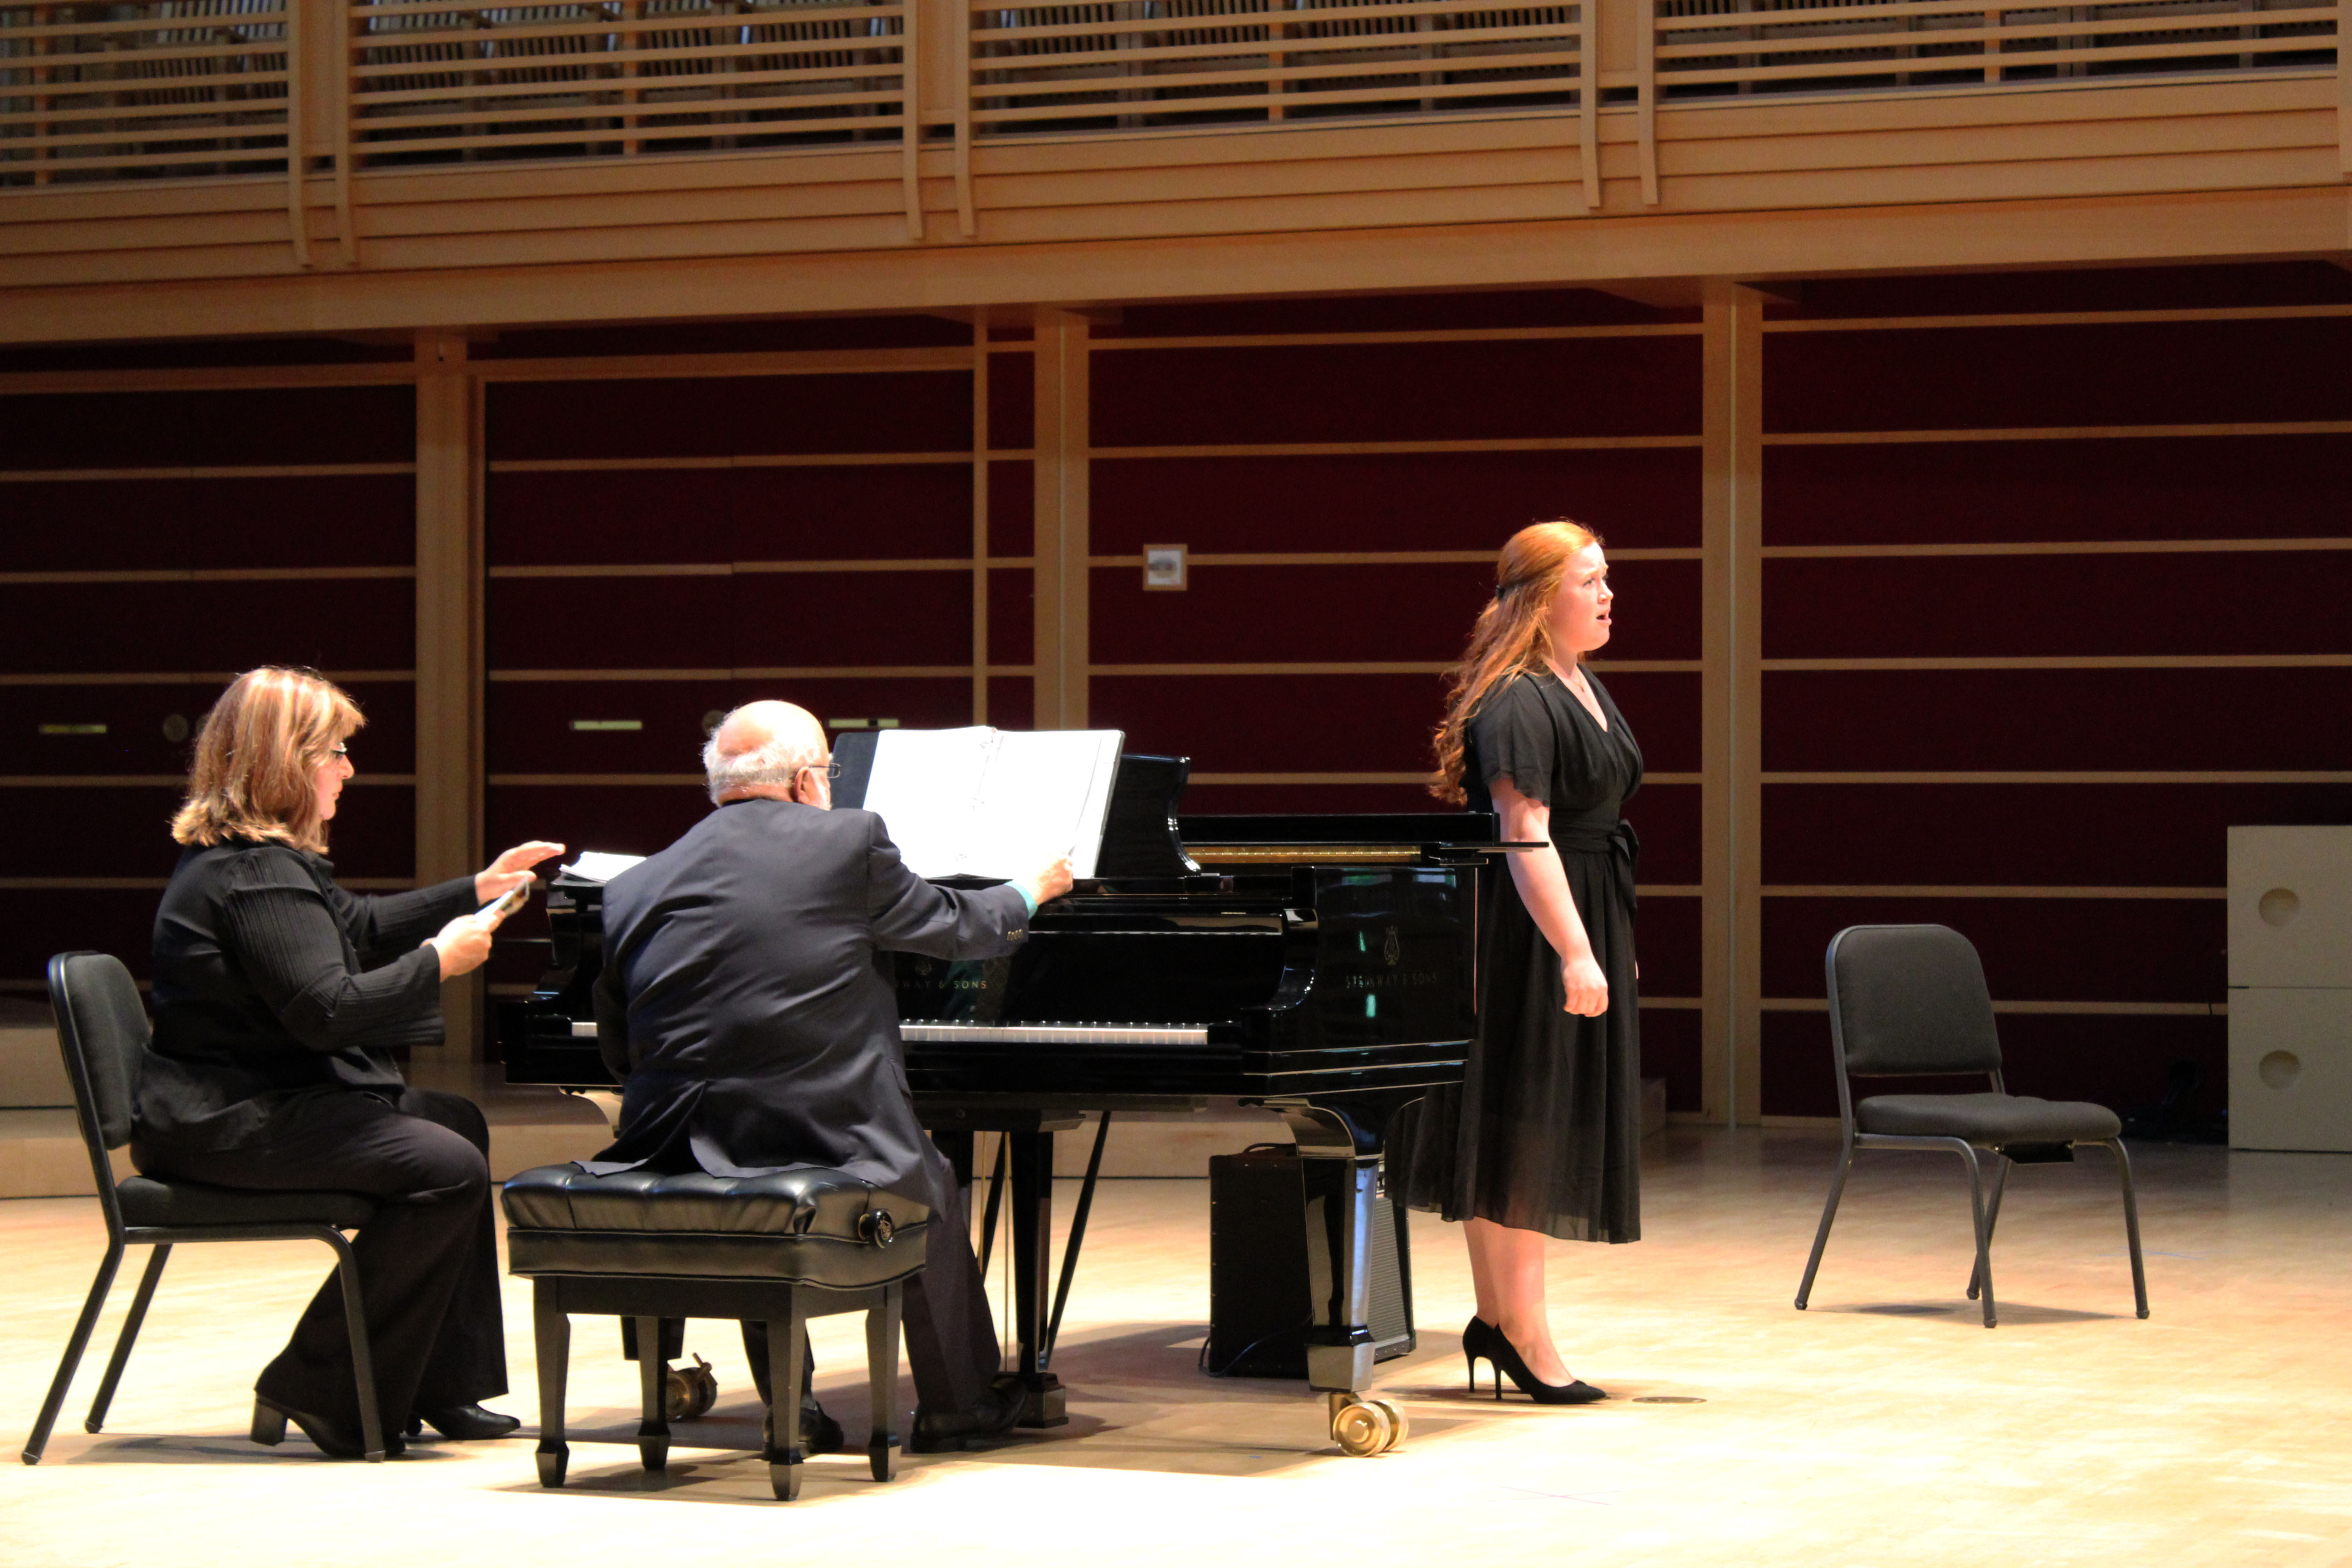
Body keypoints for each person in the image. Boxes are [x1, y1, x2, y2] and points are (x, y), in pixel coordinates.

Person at [586, 700, 1074, 1454]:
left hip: (680, 1142)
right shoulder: (849, 842)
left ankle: (797, 1411)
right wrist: (1030, 892)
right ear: (808, 779)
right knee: (929, 1185)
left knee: (747, 1174)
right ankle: (958, 1407)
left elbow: (621, 1053)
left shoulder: (635, 884)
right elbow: (958, 927)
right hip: (830, 1132)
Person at [132, 666, 565, 1458]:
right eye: (334, 750)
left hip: (256, 1098)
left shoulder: (263, 861)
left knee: (455, 1122)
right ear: (284, 760)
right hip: (226, 1120)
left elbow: (356, 925)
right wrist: (438, 960)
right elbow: (326, 1012)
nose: (348, 768)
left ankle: (438, 1381)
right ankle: (321, 1382)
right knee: (446, 1165)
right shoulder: (252, 874)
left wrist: (475, 888)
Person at [1396, 520, 1642, 1405]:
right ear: (1544, 598)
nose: (1609, 594)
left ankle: (1502, 1323)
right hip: (1524, 932)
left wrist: (1607, 941)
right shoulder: (1520, 698)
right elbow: (1524, 834)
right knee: (1521, 1124)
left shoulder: (1579, 684)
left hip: (1573, 909)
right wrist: (1577, 949)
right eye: (1591, 581)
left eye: (1608, 578)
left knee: (1519, 1122)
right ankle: (1523, 1333)